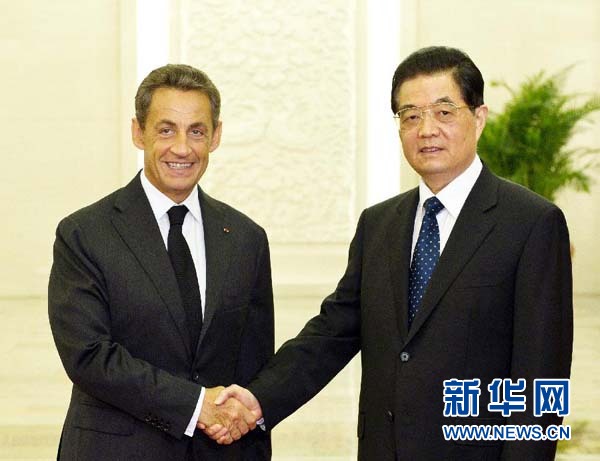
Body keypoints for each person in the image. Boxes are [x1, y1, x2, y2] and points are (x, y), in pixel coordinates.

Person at [208, 46, 573, 460]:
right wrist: (259, 398)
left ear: (479, 117)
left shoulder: (530, 224)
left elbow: (542, 378)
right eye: (410, 116)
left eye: (444, 112)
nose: (426, 129)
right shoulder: (379, 225)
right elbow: (332, 333)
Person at [48, 64, 273, 460]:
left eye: (197, 131)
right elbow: (88, 355)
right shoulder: (84, 234)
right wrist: (195, 405)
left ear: (216, 136)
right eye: (166, 130)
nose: (182, 148)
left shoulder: (246, 238)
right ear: (139, 132)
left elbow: (253, 367)